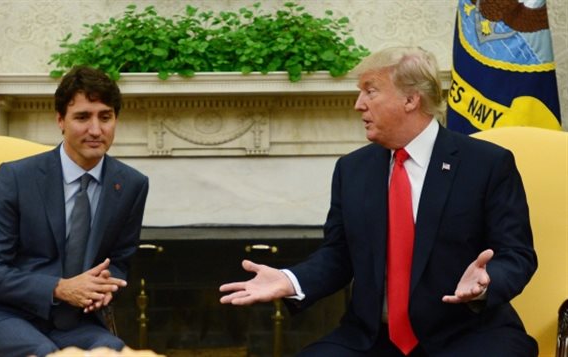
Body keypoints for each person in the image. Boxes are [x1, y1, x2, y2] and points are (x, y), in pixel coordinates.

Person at [219, 47, 538, 356]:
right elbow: (339, 255)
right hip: (371, 339)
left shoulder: (486, 164)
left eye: (370, 91)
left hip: (468, 333)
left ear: (411, 99)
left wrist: (487, 281)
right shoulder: (352, 169)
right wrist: (292, 279)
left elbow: (517, 253)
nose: (359, 104)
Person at [0, 66, 149, 357]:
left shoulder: (131, 184)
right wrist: (59, 288)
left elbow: (118, 261)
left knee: (119, 353)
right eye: (82, 117)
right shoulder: (16, 178)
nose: (96, 129)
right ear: (60, 120)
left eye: (105, 117)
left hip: (75, 323)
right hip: (3, 316)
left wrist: (103, 287)